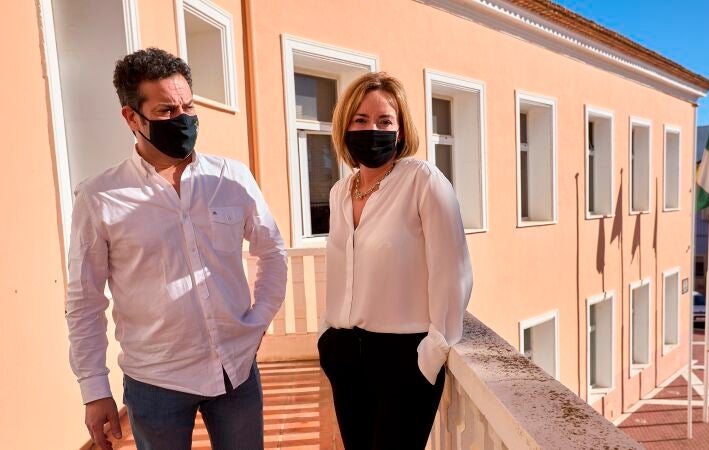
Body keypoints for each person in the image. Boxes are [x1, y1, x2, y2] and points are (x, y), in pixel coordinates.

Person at [65, 48, 287, 450]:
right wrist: (94, 388)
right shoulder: (99, 197)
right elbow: (85, 299)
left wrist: (258, 321)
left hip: (235, 372)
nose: (182, 118)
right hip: (156, 383)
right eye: (166, 111)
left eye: (188, 107)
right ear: (132, 117)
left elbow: (272, 251)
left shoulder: (231, 177)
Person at [318, 72, 473, 449]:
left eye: (384, 121)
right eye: (360, 120)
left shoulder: (423, 180)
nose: (372, 129)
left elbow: (453, 272)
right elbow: (340, 273)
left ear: (400, 131)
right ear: (344, 126)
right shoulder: (340, 192)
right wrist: (327, 337)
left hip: (403, 359)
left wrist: (432, 352)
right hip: (344, 353)